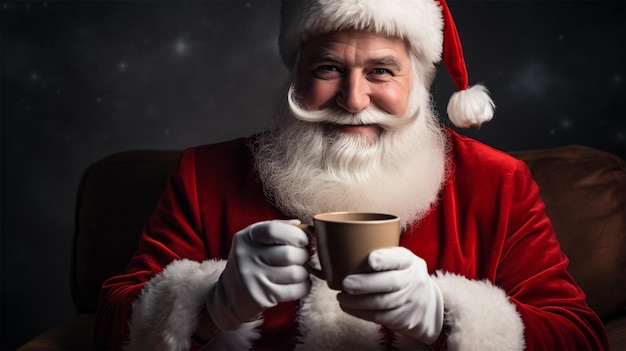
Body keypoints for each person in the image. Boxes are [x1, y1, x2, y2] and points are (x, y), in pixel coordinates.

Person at [95, 0, 609, 350]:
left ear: (419, 80)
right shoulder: (205, 174)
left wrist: (445, 318)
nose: (354, 99)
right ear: (296, 73)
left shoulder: (496, 181)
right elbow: (111, 321)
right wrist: (209, 304)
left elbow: (579, 335)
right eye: (327, 69)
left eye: (381, 71)